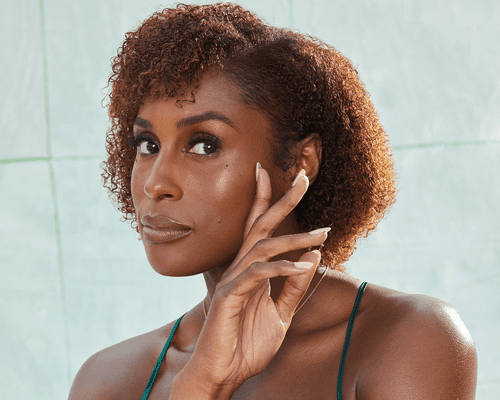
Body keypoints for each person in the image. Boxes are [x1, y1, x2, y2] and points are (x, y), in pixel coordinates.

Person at [68, 3, 477, 399]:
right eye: (147, 144)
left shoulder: (407, 339)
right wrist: (201, 389)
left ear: (300, 163)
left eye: (204, 145)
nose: (156, 183)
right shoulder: (107, 382)